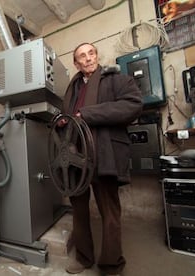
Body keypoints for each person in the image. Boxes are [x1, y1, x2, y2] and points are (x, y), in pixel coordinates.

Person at [59, 43, 143, 275]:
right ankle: (84, 258)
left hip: (104, 154)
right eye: (82, 56)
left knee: (109, 212)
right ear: (76, 63)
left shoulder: (116, 80)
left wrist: (87, 114)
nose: (88, 59)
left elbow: (133, 106)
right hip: (77, 159)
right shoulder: (72, 89)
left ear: (96, 56)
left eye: (91, 53)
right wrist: (62, 122)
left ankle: (111, 264)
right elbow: (70, 118)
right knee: (79, 210)